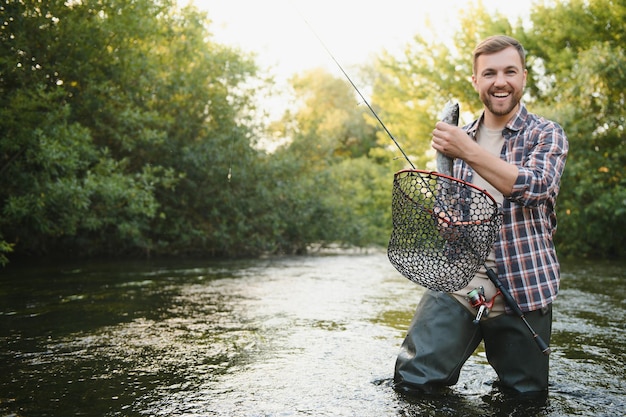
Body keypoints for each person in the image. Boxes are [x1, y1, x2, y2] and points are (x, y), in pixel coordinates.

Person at [393, 35, 569, 396]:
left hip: (522, 288)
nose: (499, 81)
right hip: (460, 282)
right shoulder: (460, 139)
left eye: (509, 71)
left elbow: (534, 187)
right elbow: (453, 212)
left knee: (525, 400)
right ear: (476, 81)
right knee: (412, 384)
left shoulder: (546, 134)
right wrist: (447, 220)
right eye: (489, 73)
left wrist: (468, 150)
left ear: (523, 77)